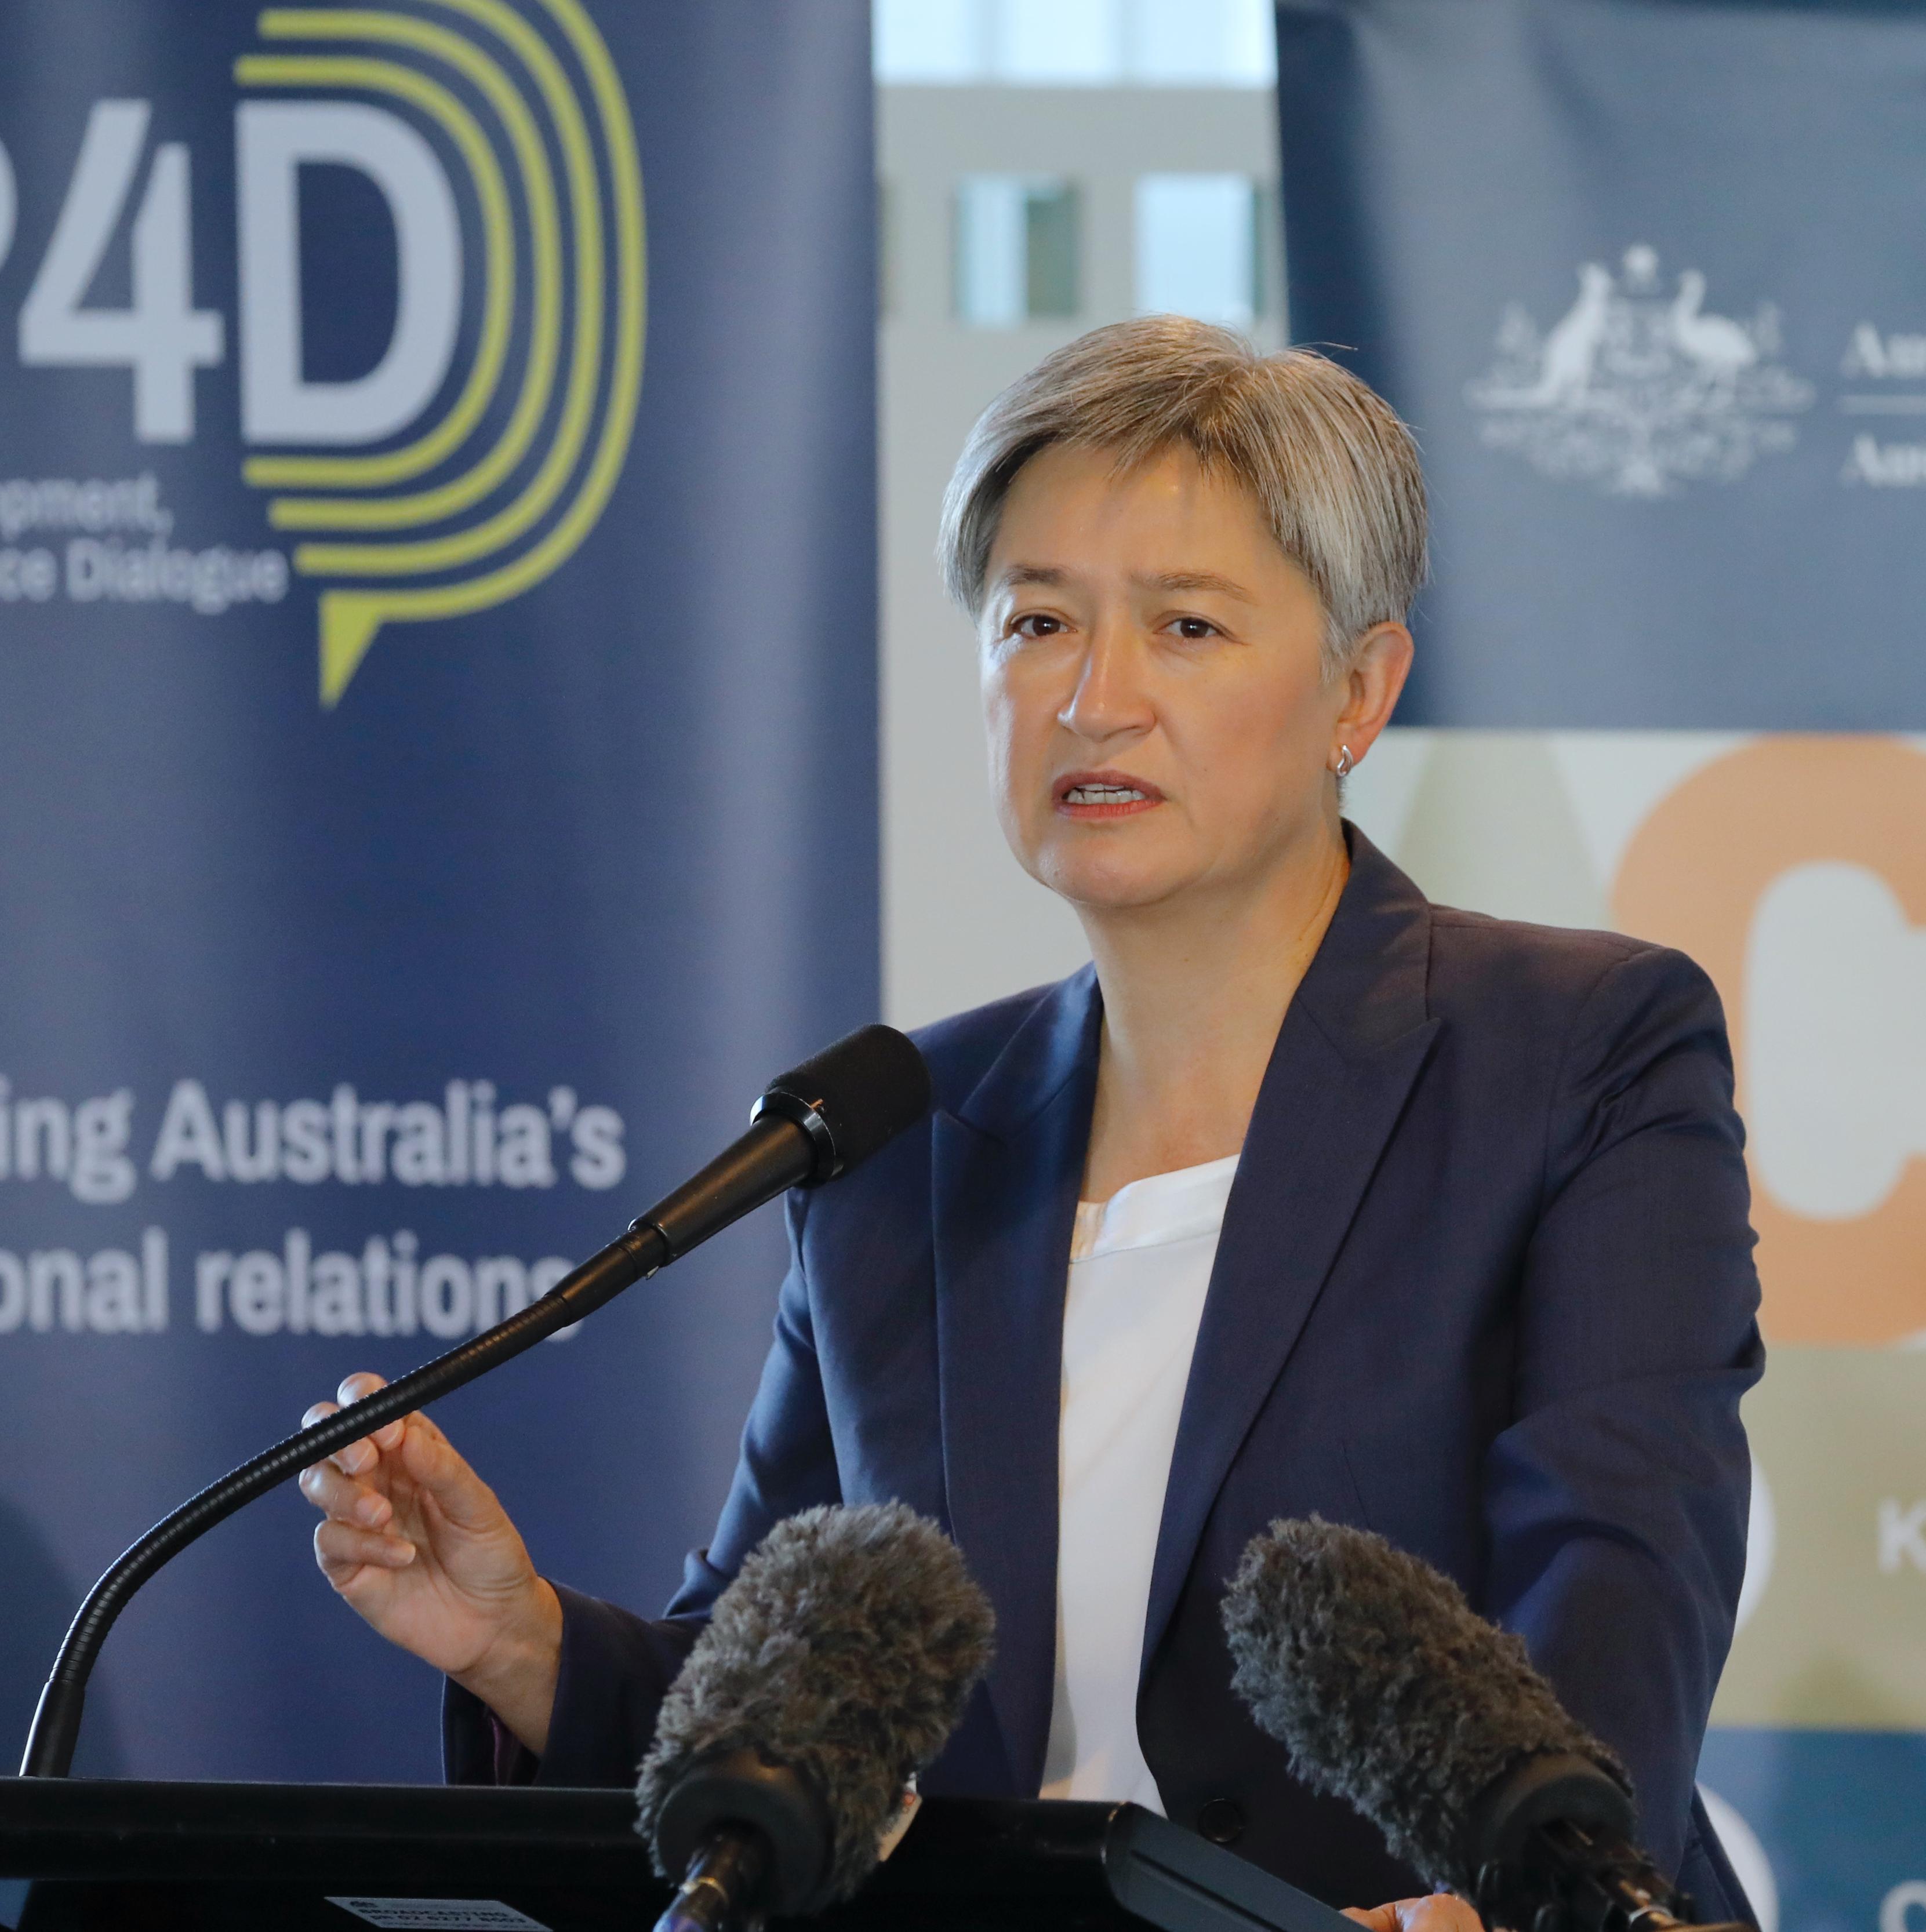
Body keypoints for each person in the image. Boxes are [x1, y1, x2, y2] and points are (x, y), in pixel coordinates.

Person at [296, 315, 1764, 1921]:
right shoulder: (900, 1139)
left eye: (1187, 627)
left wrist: (1522, 1903)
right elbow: (778, 1710)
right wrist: (521, 1642)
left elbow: (1618, 1563)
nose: (1095, 697)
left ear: (1361, 688)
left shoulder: (1574, 1054)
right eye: (1037, 622)